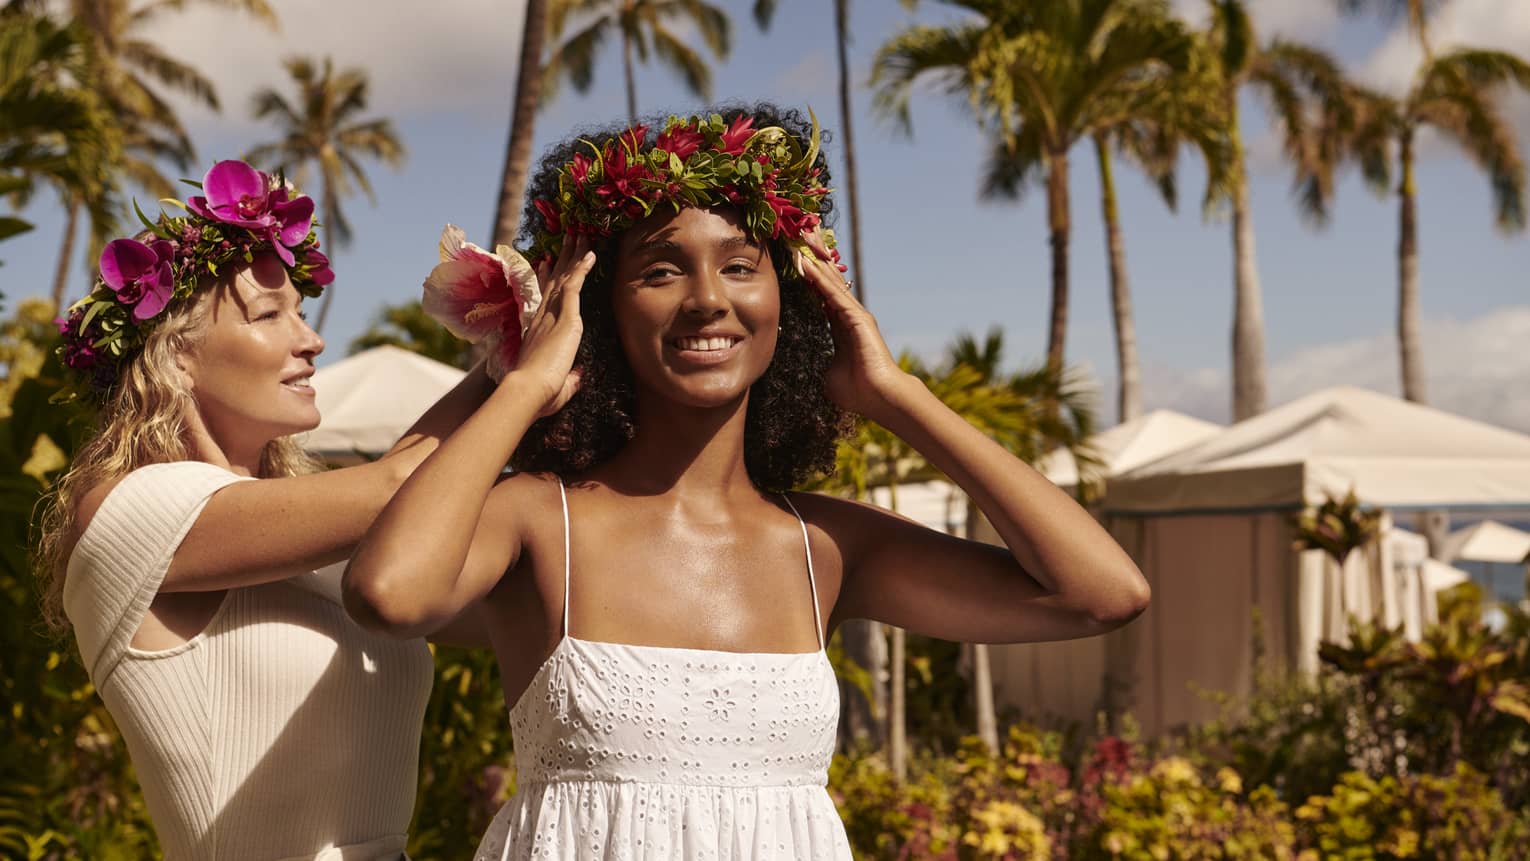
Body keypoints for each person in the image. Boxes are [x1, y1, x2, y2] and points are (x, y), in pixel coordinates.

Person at [343, 104, 1151, 860]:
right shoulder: (535, 517)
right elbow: (389, 591)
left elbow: (1103, 592)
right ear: (597, 308)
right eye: (660, 271)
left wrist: (894, 395)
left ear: (787, 301)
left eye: (739, 265)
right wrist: (523, 383)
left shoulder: (823, 547)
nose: (707, 301)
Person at [34, 159, 494, 860]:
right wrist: (514, 372)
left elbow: (495, 594)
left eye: (303, 314)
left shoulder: (308, 534)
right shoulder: (129, 512)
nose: (310, 340)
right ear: (177, 356)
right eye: (269, 314)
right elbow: (397, 480)